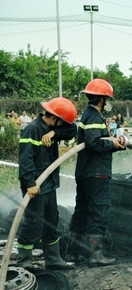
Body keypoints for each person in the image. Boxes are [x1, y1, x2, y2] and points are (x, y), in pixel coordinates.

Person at [69, 78, 132, 267]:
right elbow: (94, 143)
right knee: (98, 211)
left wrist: (121, 145)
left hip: (86, 172)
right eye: (107, 99)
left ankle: (73, 253)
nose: (108, 102)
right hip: (96, 173)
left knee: (82, 212)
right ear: (101, 99)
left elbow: (99, 143)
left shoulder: (88, 115)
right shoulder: (93, 117)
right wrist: (113, 143)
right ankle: (95, 255)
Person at [17, 97, 78, 270]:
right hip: (35, 185)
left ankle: (53, 259)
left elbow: (73, 128)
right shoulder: (32, 130)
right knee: (33, 221)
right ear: (55, 118)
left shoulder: (50, 130)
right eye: (62, 122)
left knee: (52, 219)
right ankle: (25, 262)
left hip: (49, 184)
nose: (63, 125)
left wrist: (54, 133)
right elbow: (25, 159)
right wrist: (29, 183)